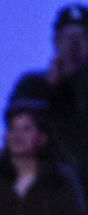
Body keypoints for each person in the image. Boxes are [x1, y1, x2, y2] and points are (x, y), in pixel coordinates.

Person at [8, 4, 88, 197]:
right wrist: (49, 89)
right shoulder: (32, 87)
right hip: (46, 197)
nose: (74, 45)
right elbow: (20, 130)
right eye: (68, 37)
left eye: (82, 37)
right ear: (55, 41)